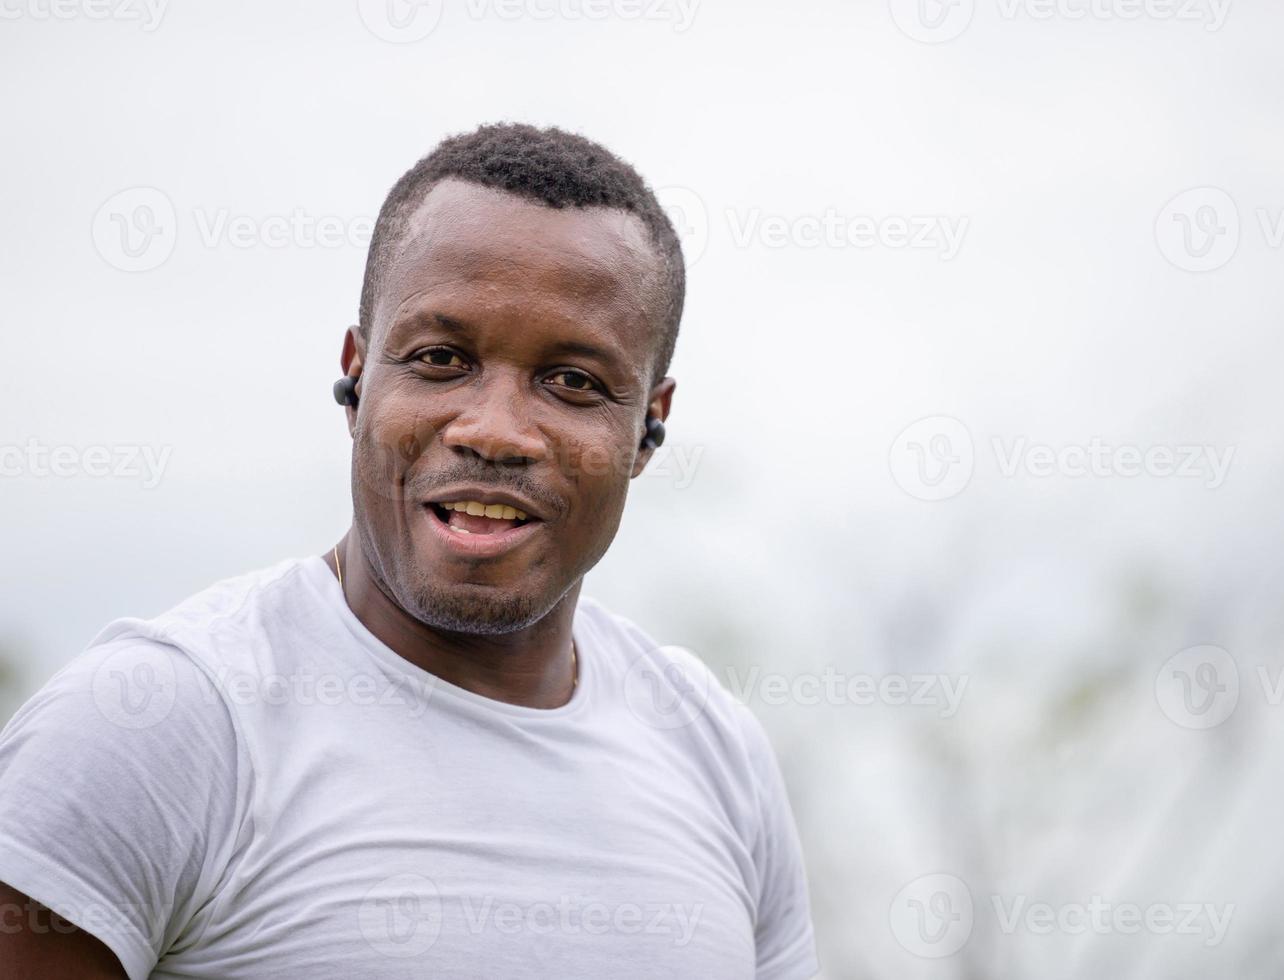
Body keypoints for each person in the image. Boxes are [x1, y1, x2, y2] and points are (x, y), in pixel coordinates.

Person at [0, 122, 819, 979]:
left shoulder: (715, 751)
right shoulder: (160, 725)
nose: (496, 431)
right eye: (440, 359)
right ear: (358, 376)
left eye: (572, 381)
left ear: (650, 426)